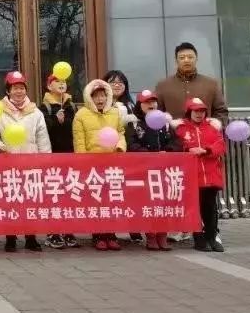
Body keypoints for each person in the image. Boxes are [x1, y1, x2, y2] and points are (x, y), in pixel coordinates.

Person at [0, 71, 50, 252]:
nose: (18, 91)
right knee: (9, 201)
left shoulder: (36, 112)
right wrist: (0, 146)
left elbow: (42, 138)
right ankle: (10, 237)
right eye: (14, 88)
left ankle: (31, 237)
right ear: (8, 91)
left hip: (30, 163)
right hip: (7, 163)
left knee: (30, 201)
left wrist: (45, 160)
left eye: (21, 88)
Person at [73, 79, 126, 251]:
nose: (100, 99)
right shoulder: (81, 115)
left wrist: (120, 147)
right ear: (90, 97)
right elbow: (79, 142)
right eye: (96, 96)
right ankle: (97, 235)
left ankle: (111, 234)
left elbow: (121, 133)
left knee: (111, 199)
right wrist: (82, 163)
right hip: (92, 165)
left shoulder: (115, 113)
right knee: (96, 200)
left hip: (112, 163)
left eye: (103, 95)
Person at [126, 90, 182, 251]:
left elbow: (176, 143)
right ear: (140, 105)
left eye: (153, 101)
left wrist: (168, 151)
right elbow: (131, 144)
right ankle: (150, 236)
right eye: (147, 102)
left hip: (165, 171)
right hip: (145, 171)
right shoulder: (134, 123)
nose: (151, 105)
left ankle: (162, 235)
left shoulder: (165, 123)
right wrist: (148, 155)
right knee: (149, 204)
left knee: (164, 204)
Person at [172, 97, 227, 252]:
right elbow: (176, 146)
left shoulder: (212, 127)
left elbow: (221, 145)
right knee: (195, 208)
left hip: (211, 175)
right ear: (189, 112)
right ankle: (199, 238)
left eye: (202, 111)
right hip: (191, 176)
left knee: (211, 207)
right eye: (196, 111)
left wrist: (207, 150)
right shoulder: (181, 129)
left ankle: (212, 237)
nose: (199, 114)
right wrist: (188, 150)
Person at [39, 74, 79, 250]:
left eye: (63, 81)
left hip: (69, 155)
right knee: (53, 195)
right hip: (52, 156)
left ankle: (68, 230)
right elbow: (43, 130)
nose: (61, 84)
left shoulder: (71, 105)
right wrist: (56, 119)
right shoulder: (44, 107)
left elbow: (77, 129)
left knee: (69, 194)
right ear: (49, 86)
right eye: (57, 81)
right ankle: (53, 232)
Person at [103, 70, 141, 243]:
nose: (117, 84)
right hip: (109, 153)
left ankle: (134, 226)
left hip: (131, 152)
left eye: (121, 82)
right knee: (110, 193)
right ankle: (107, 231)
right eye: (113, 81)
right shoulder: (102, 104)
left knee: (132, 192)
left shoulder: (133, 105)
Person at [156, 42, 228, 122]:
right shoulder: (163, 86)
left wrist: (215, 126)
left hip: (204, 130)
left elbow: (221, 111)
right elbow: (156, 113)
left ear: (196, 59)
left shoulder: (211, 84)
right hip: (173, 130)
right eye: (182, 58)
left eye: (190, 57)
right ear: (176, 61)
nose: (186, 60)